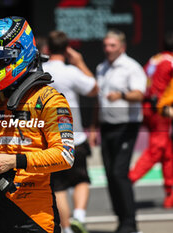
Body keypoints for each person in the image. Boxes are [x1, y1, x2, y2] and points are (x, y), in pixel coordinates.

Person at [0, 16, 75, 233]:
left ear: (18, 55)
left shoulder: (50, 99)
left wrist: (14, 161)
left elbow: (65, 155)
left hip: (34, 216)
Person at [89, 29, 146, 233]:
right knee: (110, 175)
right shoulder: (101, 67)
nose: (107, 49)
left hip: (126, 126)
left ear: (122, 47)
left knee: (119, 172)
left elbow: (139, 94)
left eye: (112, 45)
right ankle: (121, 220)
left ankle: (130, 223)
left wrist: (121, 95)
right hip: (107, 126)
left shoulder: (131, 67)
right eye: (105, 45)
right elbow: (98, 100)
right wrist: (94, 127)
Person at [42, 30, 98, 233]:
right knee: (81, 179)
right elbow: (93, 89)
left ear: (46, 49)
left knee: (58, 188)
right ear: (67, 49)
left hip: (50, 138)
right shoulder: (71, 72)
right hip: (75, 136)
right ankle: (80, 216)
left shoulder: (39, 71)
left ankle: (66, 229)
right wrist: (80, 62)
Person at [128, 31, 173, 208]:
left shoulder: (155, 59)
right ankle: (127, 182)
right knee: (158, 149)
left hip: (148, 108)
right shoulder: (170, 62)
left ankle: (170, 194)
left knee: (168, 153)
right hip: (161, 110)